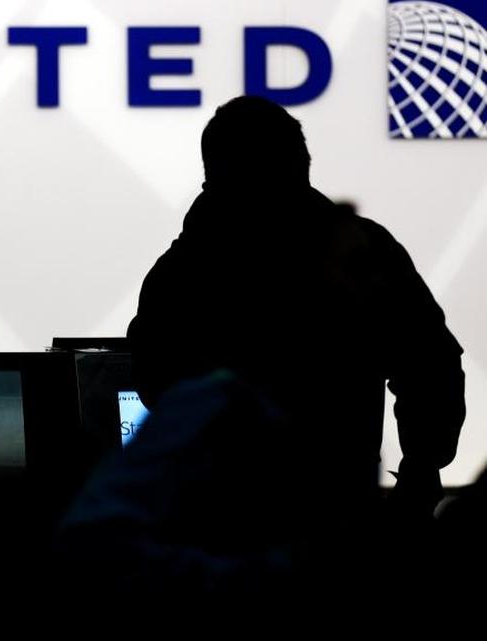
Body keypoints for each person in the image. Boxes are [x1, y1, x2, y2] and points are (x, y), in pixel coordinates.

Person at [126, 96, 464, 521]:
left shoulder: (180, 272)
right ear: (300, 164)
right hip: (337, 515)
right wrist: (422, 468)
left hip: (218, 516)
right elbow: (430, 363)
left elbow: (155, 382)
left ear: (212, 174)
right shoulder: (365, 251)